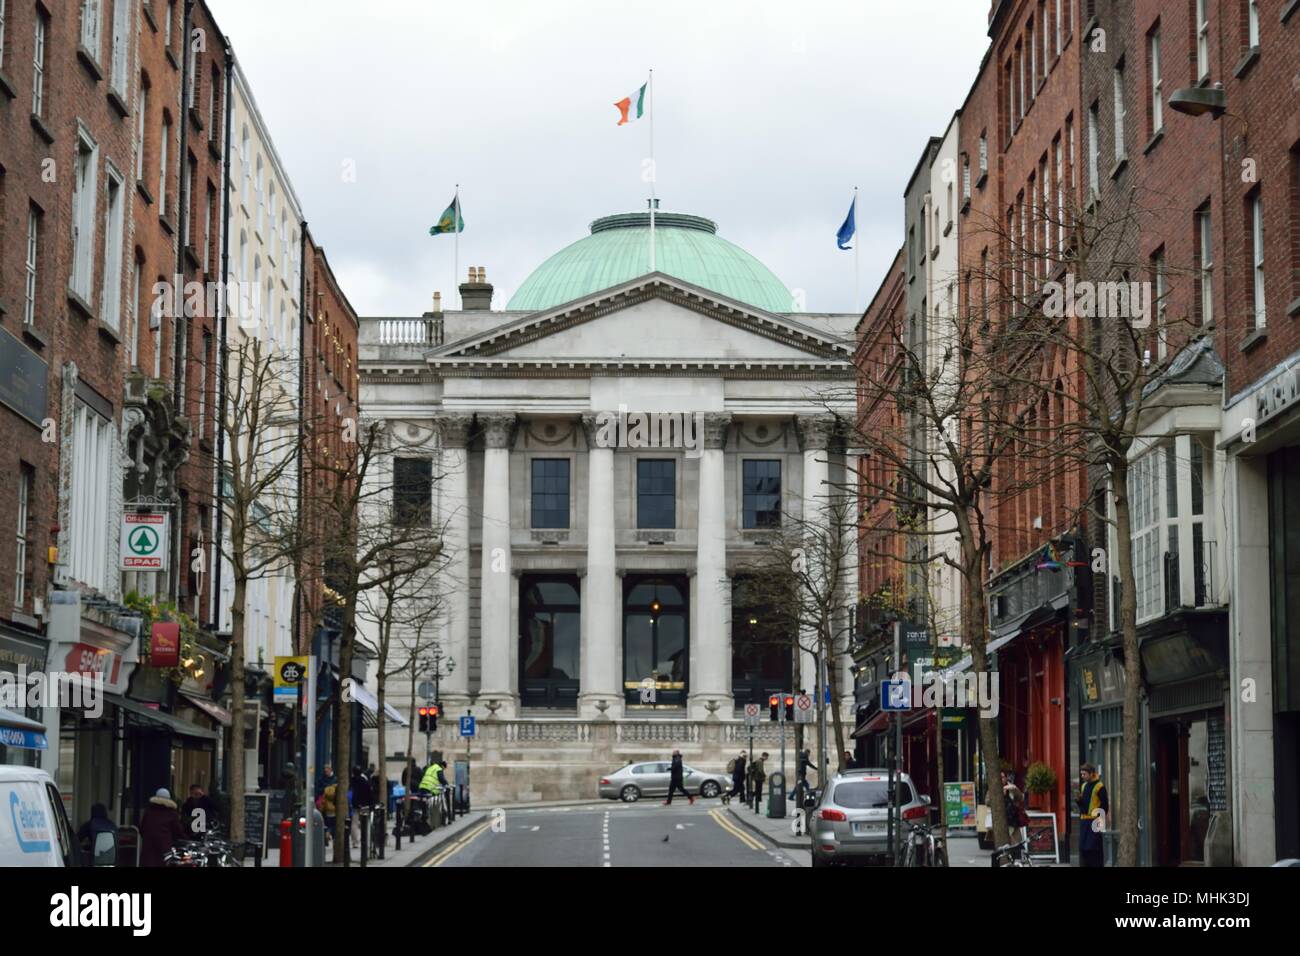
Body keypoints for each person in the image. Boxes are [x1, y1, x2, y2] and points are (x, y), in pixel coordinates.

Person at [139, 788, 184, 867]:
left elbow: (142, 828)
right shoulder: (171, 813)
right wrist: (185, 838)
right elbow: (178, 830)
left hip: (148, 845)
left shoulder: (149, 811)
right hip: (164, 845)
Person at [1077, 762, 1109, 867]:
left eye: (1084, 774)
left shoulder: (1100, 786)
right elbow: (1083, 804)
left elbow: (1105, 805)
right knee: (1083, 848)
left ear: (1091, 774)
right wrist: (1079, 801)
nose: (1082, 776)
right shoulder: (1084, 786)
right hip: (1084, 821)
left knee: (1094, 848)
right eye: (1081, 774)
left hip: (1095, 821)